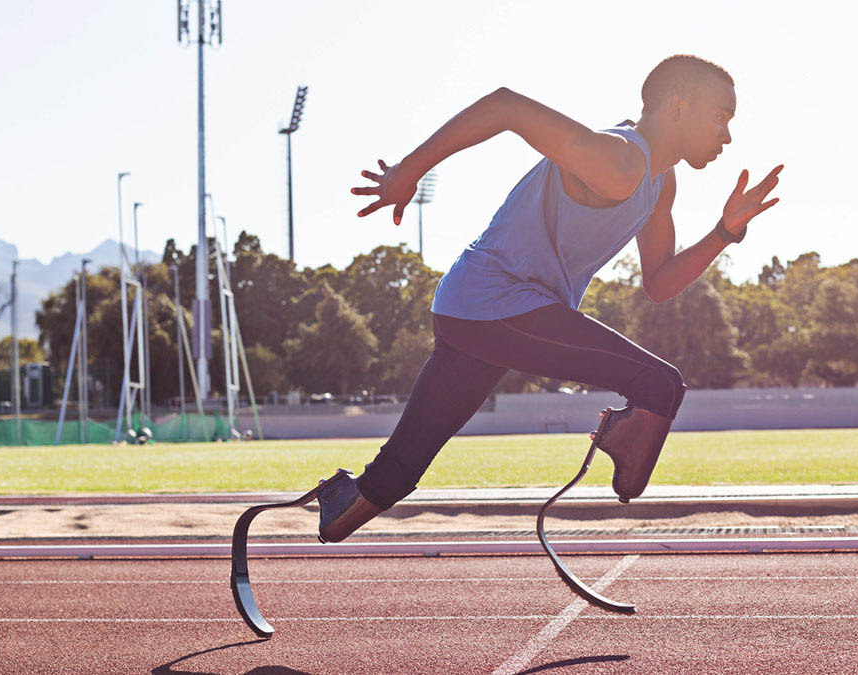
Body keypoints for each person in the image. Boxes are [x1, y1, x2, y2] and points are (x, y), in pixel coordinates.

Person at [317, 54, 782, 543]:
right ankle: (618, 441)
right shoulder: (621, 158)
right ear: (677, 105)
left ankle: (338, 506)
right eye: (719, 118)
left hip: (477, 312)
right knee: (659, 386)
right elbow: (505, 107)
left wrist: (724, 233)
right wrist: (408, 171)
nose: (726, 137)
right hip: (497, 303)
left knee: (396, 473)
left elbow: (659, 284)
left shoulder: (659, 183)